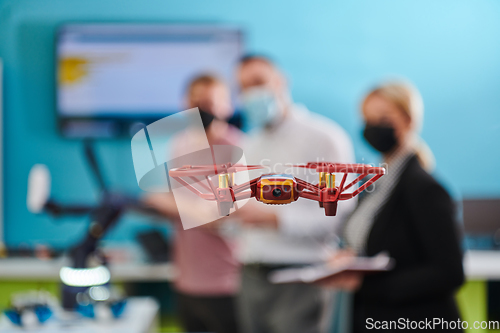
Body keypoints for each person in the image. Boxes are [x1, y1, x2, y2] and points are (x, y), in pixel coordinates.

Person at [320, 81, 465, 332]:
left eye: (384, 118)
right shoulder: (374, 184)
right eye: (368, 119)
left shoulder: (425, 188)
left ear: (409, 121)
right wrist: (353, 259)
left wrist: (364, 284)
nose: (374, 127)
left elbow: (449, 272)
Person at [232, 55, 356, 333]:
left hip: (302, 276)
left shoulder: (324, 138)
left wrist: (276, 219)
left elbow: (337, 213)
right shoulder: (249, 145)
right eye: (242, 87)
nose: (250, 93)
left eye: (258, 82)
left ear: (280, 82)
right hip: (250, 275)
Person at [144, 75, 242, 333]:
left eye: (209, 102)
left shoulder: (239, 149)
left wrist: (165, 202)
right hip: (186, 280)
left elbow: (223, 219)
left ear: (227, 105)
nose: (201, 109)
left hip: (227, 283)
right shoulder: (180, 145)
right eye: (195, 102)